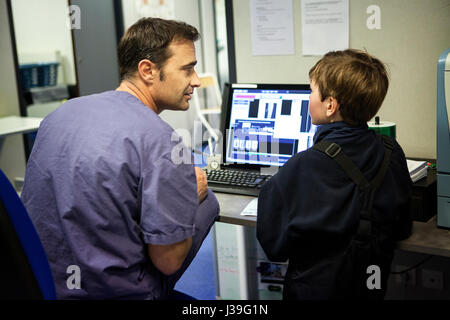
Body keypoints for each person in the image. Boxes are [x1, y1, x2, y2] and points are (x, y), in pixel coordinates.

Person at [21, 18, 220, 300]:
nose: (196, 80)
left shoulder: (59, 116)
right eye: (187, 69)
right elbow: (168, 262)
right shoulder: (161, 140)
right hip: (116, 293)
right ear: (148, 70)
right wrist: (188, 197)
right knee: (207, 200)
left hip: (45, 286)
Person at [256, 49, 412, 300]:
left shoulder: (301, 167)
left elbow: (274, 247)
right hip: (371, 289)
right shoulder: (392, 152)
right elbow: (402, 228)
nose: (308, 97)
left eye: (311, 90)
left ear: (330, 105)